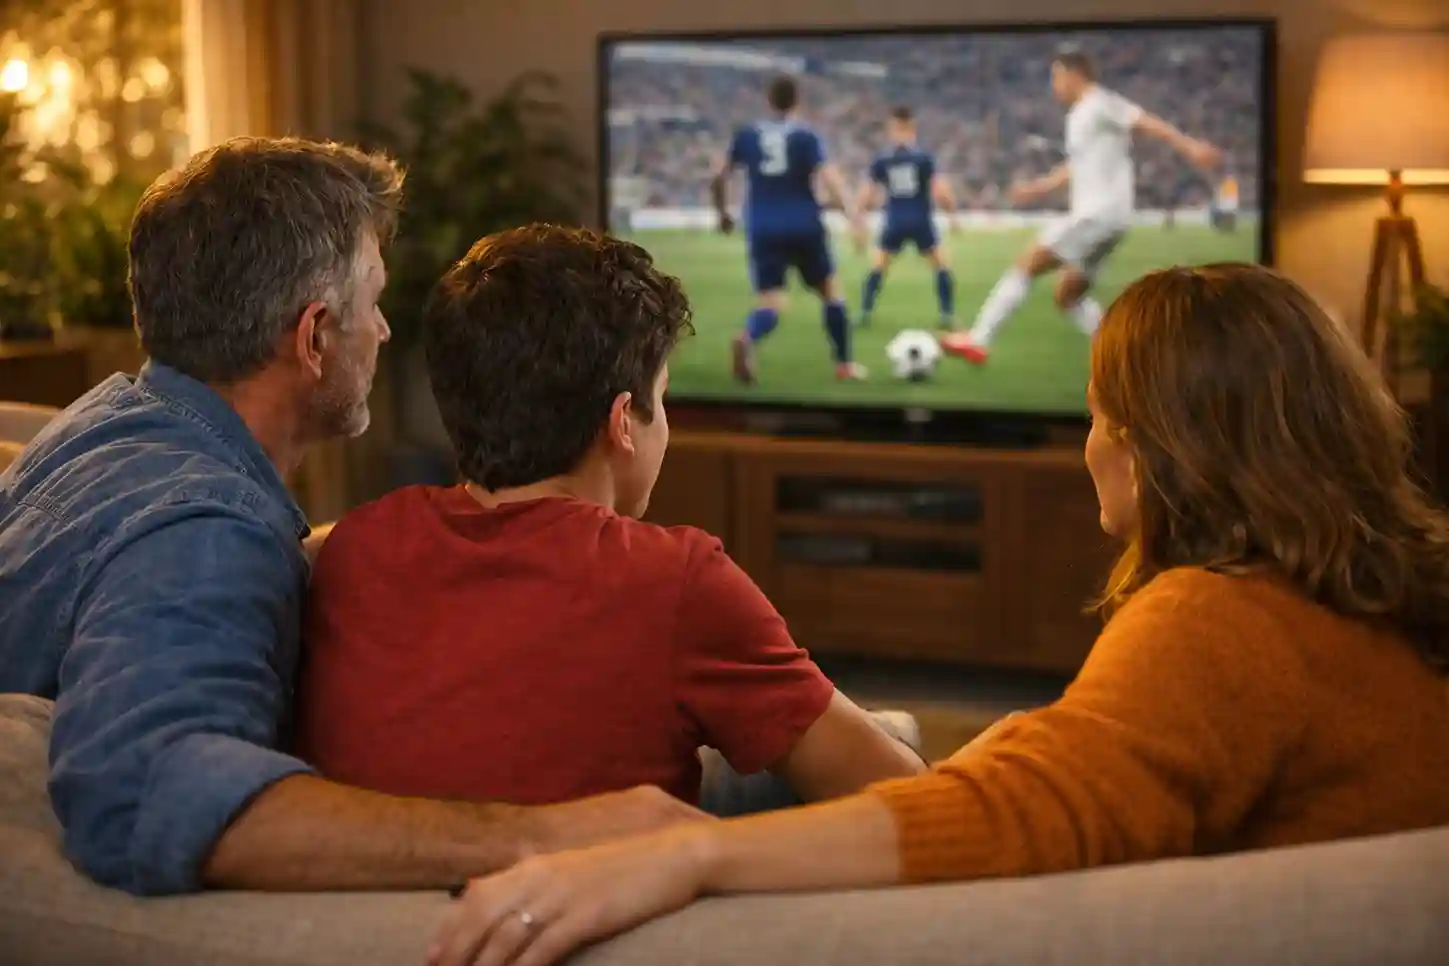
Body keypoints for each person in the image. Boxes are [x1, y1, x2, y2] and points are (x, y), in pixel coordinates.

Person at [429, 263, 1449, 966]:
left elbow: (1019, 816)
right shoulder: (1369, 603)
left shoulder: (1217, 620)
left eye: (1095, 413)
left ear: (1144, 443)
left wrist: (688, 850)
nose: (1089, 441)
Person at [0, 137, 708, 897]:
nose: (383, 330)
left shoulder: (110, 420)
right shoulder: (207, 536)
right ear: (312, 339)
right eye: (372, 303)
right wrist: (543, 836)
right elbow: (147, 798)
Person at [294, 224, 923, 810]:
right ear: (623, 421)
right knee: (899, 736)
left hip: (391, 902)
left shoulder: (350, 549)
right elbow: (902, 798)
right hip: (601, 894)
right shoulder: (680, 581)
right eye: (663, 396)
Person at [941, 49, 1221, 364]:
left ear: (1074, 75)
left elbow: (1144, 122)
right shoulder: (1079, 116)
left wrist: (1191, 146)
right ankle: (1129, 356)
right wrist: (1037, 188)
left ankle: (979, 339)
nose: (1054, 86)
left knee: (1026, 264)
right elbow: (1076, 166)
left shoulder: (1099, 102)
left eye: (1056, 78)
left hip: (1097, 213)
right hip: (1109, 219)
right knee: (1068, 297)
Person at [711, 74, 867, 384]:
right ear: (797, 101)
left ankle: (748, 336)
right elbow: (830, 177)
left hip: (763, 226)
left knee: (771, 302)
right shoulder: (806, 136)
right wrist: (853, 216)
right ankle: (845, 365)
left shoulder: (748, 134)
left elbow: (718, 177)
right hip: (804, 223)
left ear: (769, 101)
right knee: (831, 293)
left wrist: (723, 214)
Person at [857, 106, 959, 331]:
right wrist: (952, 215)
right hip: (921, 220)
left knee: (878, 267)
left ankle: (864, 312)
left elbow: (866, 193)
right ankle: (947, 314)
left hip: (895, 220)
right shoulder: (923, 158)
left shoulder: (883, 159)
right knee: (941, 266)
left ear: (892, 129)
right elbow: (941, 191)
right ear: (912, 129)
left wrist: (858, 220)